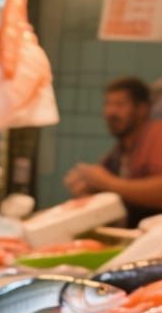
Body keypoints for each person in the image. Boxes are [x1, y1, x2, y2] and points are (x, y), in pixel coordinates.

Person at [64, 77, 162, 228]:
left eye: (120, 104)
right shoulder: (118, 152)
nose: (111, 112)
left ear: (142, 109)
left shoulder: (156, 134)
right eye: (107, 104)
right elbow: (102, 183)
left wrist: (108, 183)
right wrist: (87, 188)